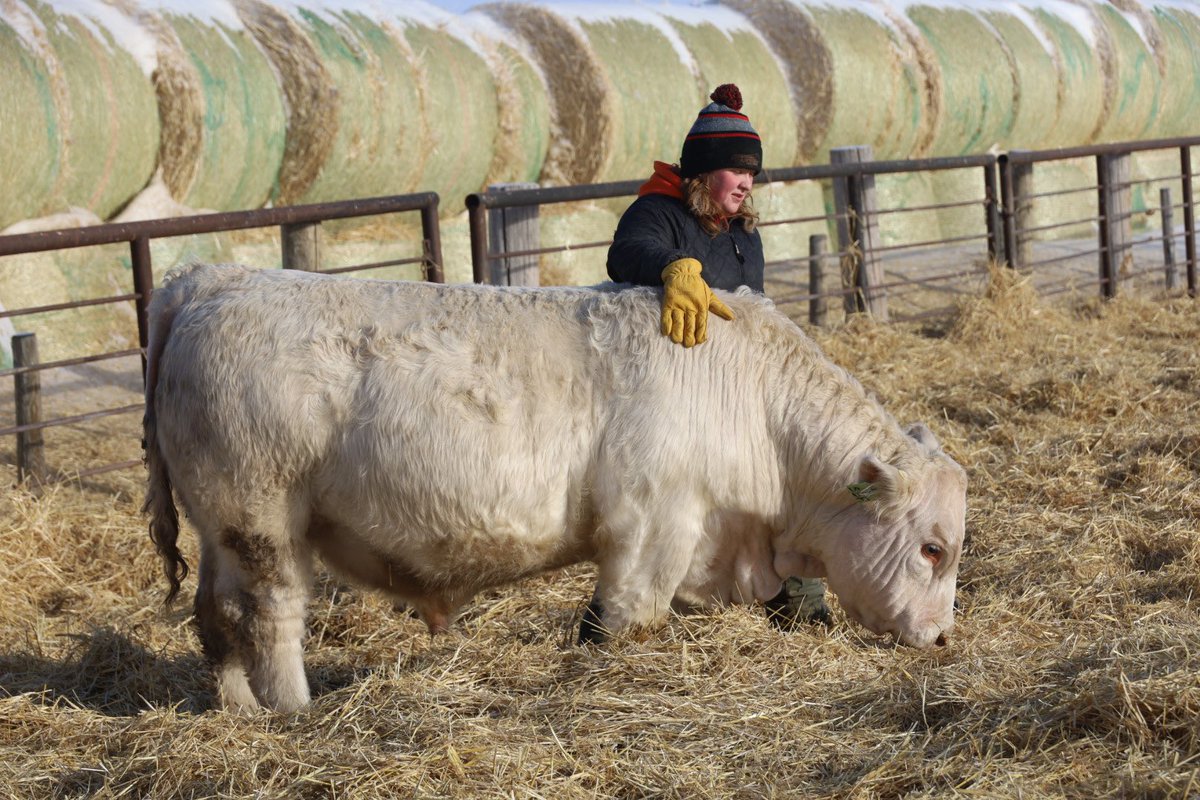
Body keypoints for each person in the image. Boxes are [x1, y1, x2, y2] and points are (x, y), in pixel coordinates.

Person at [606, 83, 831, 629]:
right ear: (705, 173)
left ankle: (798, 600)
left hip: (735, 386)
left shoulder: (742, 234)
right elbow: (626, 252)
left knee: (784, 477)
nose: (747, 181)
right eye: (736, 170)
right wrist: (674, 267)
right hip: (671, 389)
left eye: (752, 171)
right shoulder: (660, 210)